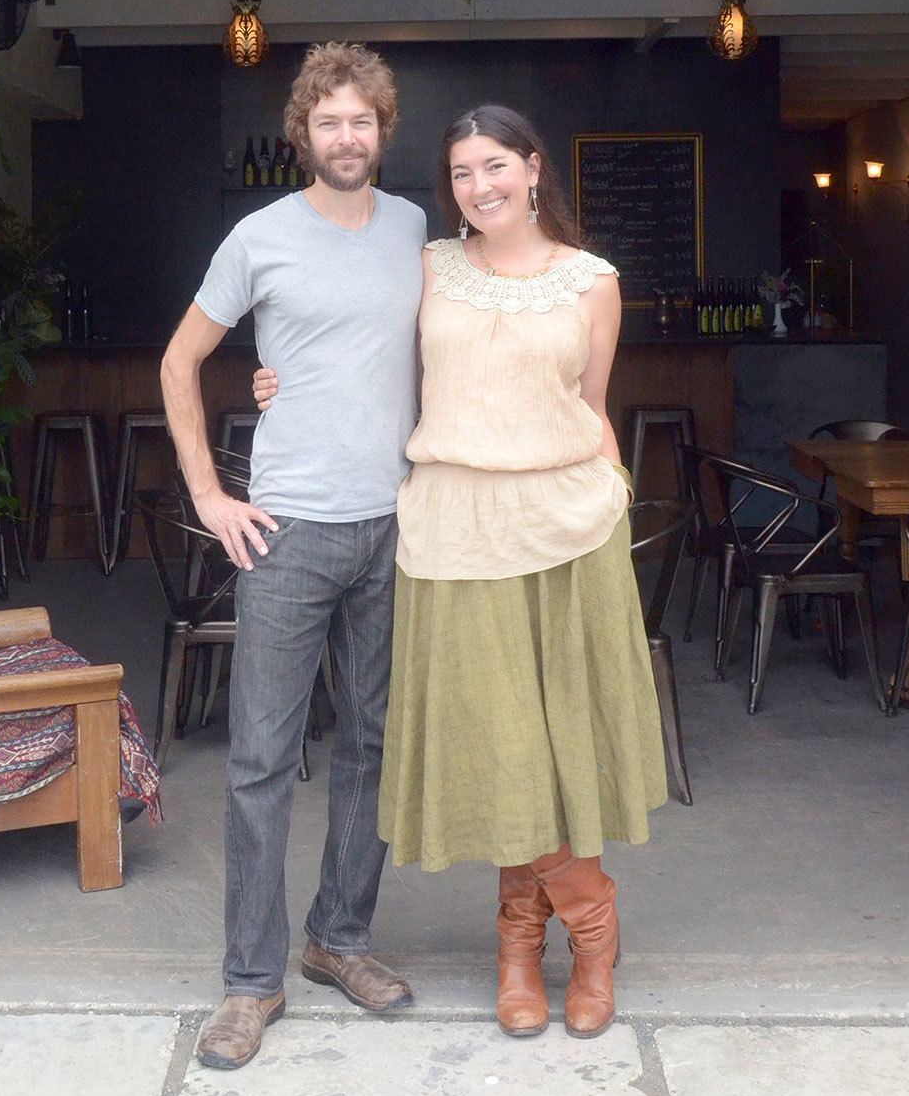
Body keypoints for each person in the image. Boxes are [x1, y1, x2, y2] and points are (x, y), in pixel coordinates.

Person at [257, 105, 668, 1040]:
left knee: (553, 740)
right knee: (499, 738)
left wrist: (614, 495)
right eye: (460, 173)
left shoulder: (593, 281)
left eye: (494, 166)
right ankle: (591, 918)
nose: (479, 187)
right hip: (452, 529)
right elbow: (352, 343)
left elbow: (593, 404)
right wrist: (274, 375)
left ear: (533, 168)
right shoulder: (430, 265)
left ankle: (524, 940)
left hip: (565, 528)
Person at [160, 42, 426, 1071]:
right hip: (285, 532)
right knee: (262, 759)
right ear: (302, 133)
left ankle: (338, 939)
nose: (345, 136)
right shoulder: (258, 237)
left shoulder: (414, 230)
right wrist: (208, 495)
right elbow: (180, 360)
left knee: (373, 743)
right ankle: (249, 980)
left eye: (361, 120)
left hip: (392, 525)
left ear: (381, 129)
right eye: (328, 121)